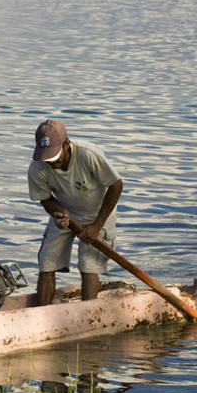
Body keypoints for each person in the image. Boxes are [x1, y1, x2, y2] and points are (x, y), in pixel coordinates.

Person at [27, 119, 123, 305]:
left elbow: (116, 184)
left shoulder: (88, 155)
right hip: (66, 212)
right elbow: (45, 198)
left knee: (88, 266)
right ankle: (42, 310)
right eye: (47, 158)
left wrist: (97, 225)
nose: (52, 162)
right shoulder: (37, 167)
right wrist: (57, 213)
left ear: (67, 145)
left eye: (55, 156)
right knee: (46, 262)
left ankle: (88, 312)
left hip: (99, 213)